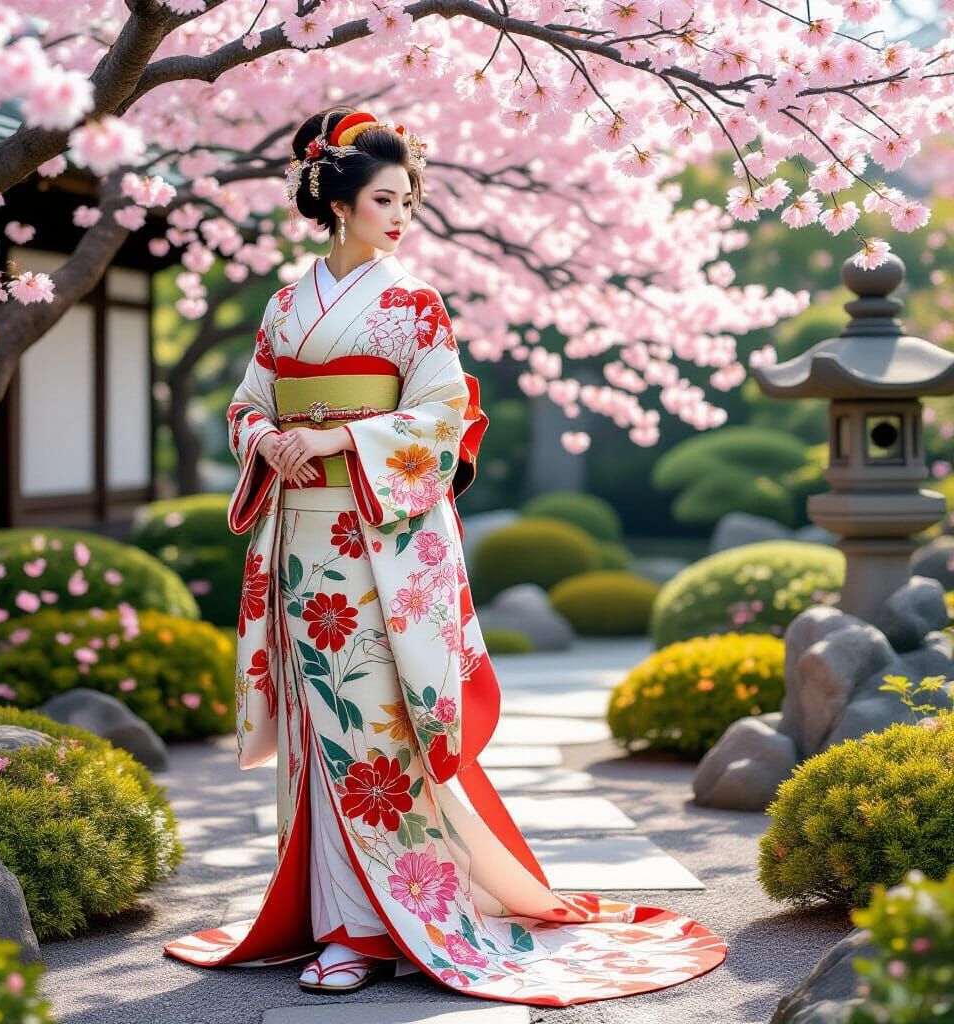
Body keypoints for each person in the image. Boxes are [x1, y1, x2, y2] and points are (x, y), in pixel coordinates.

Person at [162, 106, 728, 1006]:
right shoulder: (283, 306)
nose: (402, 216)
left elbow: (441, 417)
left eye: (408, 200)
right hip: (300, 542)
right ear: (339, 204)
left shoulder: (414, 303)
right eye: (385, 199)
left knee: (372, 727)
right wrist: (266, 439)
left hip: (375, 546)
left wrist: (339, 439)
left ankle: (367, 930)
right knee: (315, 730)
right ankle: (327, 914)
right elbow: (246, 403)